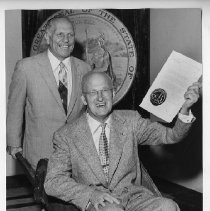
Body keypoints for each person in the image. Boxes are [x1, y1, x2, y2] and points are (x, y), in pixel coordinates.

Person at [44, 71, 201, 211]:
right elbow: (53, 181)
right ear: (84, 99)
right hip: (98, 202)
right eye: (93, 92)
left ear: (113, 94)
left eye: (105, 90)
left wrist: (185, 108)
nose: (100, 98)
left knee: (168, 206)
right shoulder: (66, 135)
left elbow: (171, 135)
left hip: (133, 198)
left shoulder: (131, 120)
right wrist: (90, 194)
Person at [6, 16, 91, 170]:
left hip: (76, 156)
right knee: (42, 194)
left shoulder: (85, 69)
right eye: (60, 34)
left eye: (70, 35)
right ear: (47, 37)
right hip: (39, 155)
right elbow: (14, 109)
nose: (66, 40)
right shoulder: (26, 68)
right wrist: (13, 144)